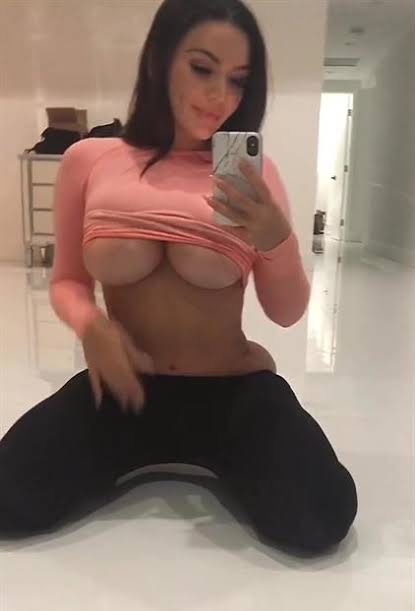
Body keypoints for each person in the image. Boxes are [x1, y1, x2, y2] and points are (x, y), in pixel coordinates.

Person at [0, 0, 357, 554]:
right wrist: (92, 326)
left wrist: (275, 237)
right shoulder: (90, 160)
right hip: (124, 389)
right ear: (159, 59)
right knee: (7, 498)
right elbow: (68, 280)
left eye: (238, 80)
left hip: (231, 394)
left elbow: (286, 312)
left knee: (319, 518)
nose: (220, 96)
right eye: (202, 68)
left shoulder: (254, 176)